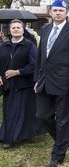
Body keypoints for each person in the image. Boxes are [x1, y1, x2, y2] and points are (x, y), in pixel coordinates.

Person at [34, 0, 69, 167]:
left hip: (65, 83)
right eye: (55, 10)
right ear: (50, 12)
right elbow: (41, 56)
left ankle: (57, 155)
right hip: (44, 81)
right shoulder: (45, 29)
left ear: (66, 13)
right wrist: (37, 78)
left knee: (63, 120)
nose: (57, 13)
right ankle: (63, 139)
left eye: (61, 11)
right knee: (42, 115)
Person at [0, 19, 45, 148]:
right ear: (9, 30)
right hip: (8, 85)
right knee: (8, 111)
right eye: (13, 28)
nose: (15, 29)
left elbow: (34, 65)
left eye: (18, 27)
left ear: (23, 29)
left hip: (23, 85)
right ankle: (6, 135)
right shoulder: (4, 46)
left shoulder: (29, 46)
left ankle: (10, 139)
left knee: (17, 112)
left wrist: (18, 72)